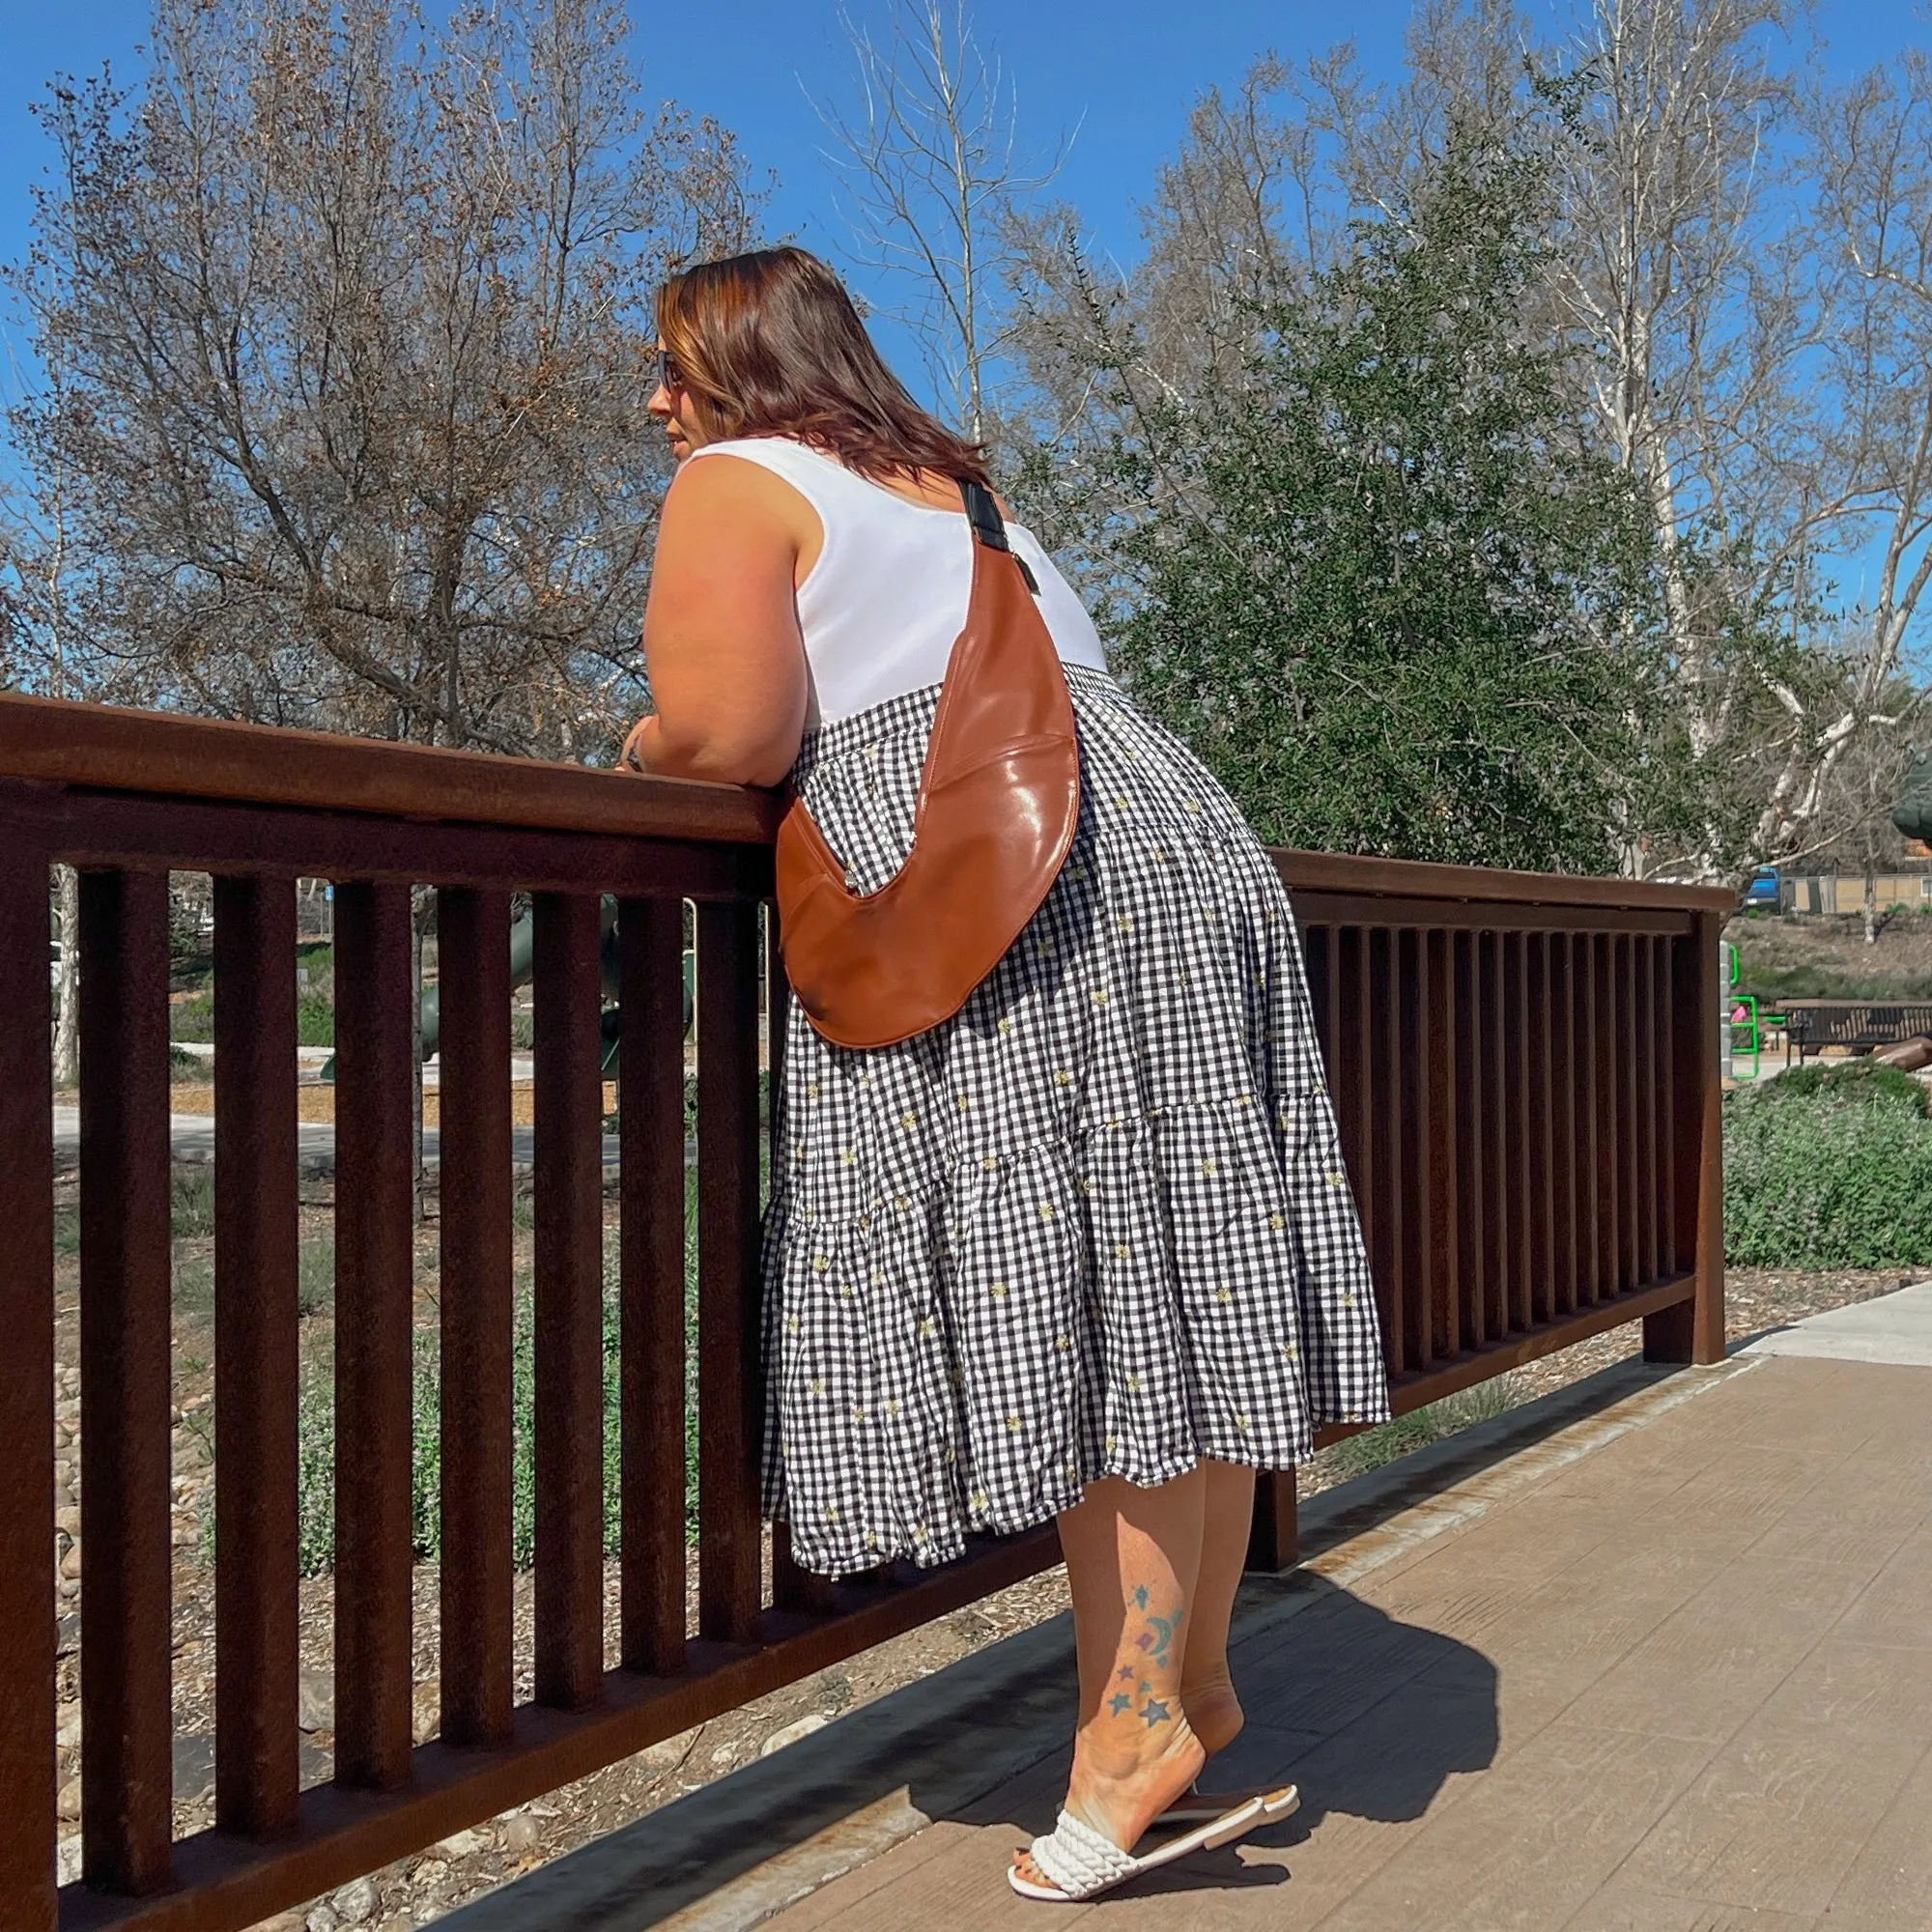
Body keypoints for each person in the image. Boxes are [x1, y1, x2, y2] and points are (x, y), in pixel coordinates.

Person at [626, 244, 1389, 1902]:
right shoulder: (960, 496)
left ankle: (1133, 1733)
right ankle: (1178, 1688)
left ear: (734, 368)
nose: (656, 401)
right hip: (1159, 845)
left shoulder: (735, 483)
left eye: (671, 367)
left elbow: (732, 730)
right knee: (1161, 1285)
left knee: (1099, 1294)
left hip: (996, 884)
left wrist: (640, 751)